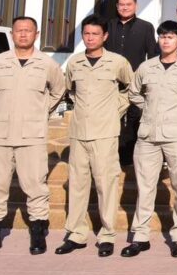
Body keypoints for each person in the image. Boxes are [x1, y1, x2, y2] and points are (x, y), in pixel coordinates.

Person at [0, 17, 65, 257]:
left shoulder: (47, 64)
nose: (23, 34)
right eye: (19, 31)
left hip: (32, 136)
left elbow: (58, 91)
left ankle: (38, 231)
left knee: (35, 185)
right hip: (0, 135)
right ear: (12, 34)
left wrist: (40, 112)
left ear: (37, 34)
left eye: (28, 30)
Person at [122, 22, 177, 258]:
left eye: (170, 37)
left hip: (176, 136)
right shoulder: (146, 67)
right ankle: (140, 236)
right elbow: (133, 93)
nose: (166, 41)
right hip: (148, 136)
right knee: (145, 187)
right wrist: (148, 109)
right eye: (162, 37)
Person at [55, 15, 133, 257]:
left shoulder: (117, 62)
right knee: (77, 183)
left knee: (105, 183)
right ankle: (76, 234)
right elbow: (70, 91)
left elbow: (130, 89)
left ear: (105, 36)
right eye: (86, 34)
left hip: (105, 133)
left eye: (95, 34)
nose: (90, 38)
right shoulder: (74, 62)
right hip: (79, 132)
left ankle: (107, 235)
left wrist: (114, 110)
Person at [106, 0, 158, 165]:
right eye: (121, 4)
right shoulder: (108, 26)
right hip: (111, 81)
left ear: (135, 6)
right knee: (113, 118)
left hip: (136, 80)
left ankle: (130, 156)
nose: (125, 8)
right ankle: (113, 155)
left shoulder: (146, 27)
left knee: (135, 116)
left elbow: (152, 54)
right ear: (117, 7)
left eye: (128, 4)